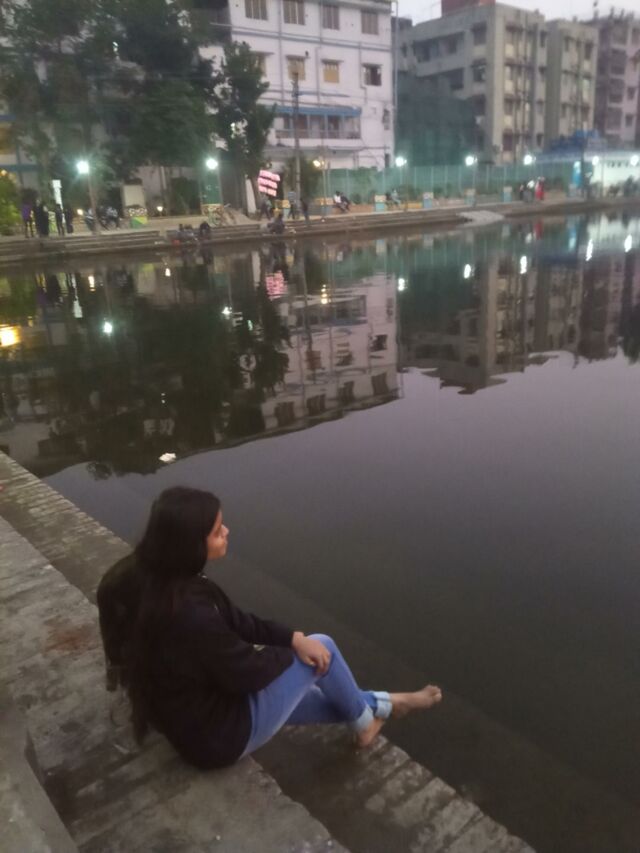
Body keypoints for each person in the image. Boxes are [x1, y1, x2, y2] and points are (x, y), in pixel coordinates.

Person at [97, 487, 442, 769]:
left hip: (188, 718)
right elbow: (246, 674)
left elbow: (238, 622)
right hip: (217, 740)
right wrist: (295, 652)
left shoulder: (150, 578)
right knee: (323, 648)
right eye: (217, 531)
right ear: (190, 544)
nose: (227, 532)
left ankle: (381, 704)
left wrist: (291, 637)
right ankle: (366, 725)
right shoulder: (189, 613)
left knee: (302, 688)